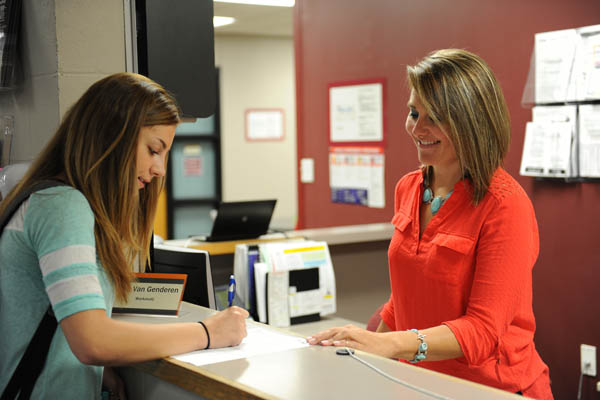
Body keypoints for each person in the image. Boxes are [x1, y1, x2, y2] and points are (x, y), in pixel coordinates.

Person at [307, 49, 553, 399]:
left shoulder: (504, 205)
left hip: (494, 389)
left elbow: (483, 331)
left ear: (471, 122)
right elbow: (406, 297)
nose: (417, 128)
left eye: (433, 118)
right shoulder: (409, 188)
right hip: (418, 383)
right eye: (413, 112)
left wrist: (391, 344)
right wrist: (364, 347)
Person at [0, 72, 249, 399]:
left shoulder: (44, 196)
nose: (160, 169)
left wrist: (102, 372)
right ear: (111, 135)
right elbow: (92, 341)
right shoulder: (63, 206)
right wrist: (206, 332)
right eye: (153, 149)